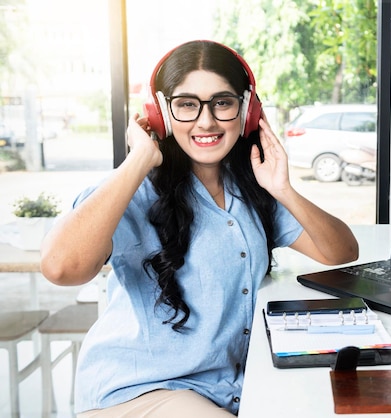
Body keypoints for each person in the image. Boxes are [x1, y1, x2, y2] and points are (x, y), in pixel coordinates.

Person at [40, 40, 358, 417]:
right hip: (142, 390)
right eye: (187, 104)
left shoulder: (252, 188)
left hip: (225, 389)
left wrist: (284, 189)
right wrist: (140, 157)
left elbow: (340, 252)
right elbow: (61, 268)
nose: (206, 121)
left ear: (247, 110)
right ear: (161, 113)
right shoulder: (134, 190)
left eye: (222, 103)